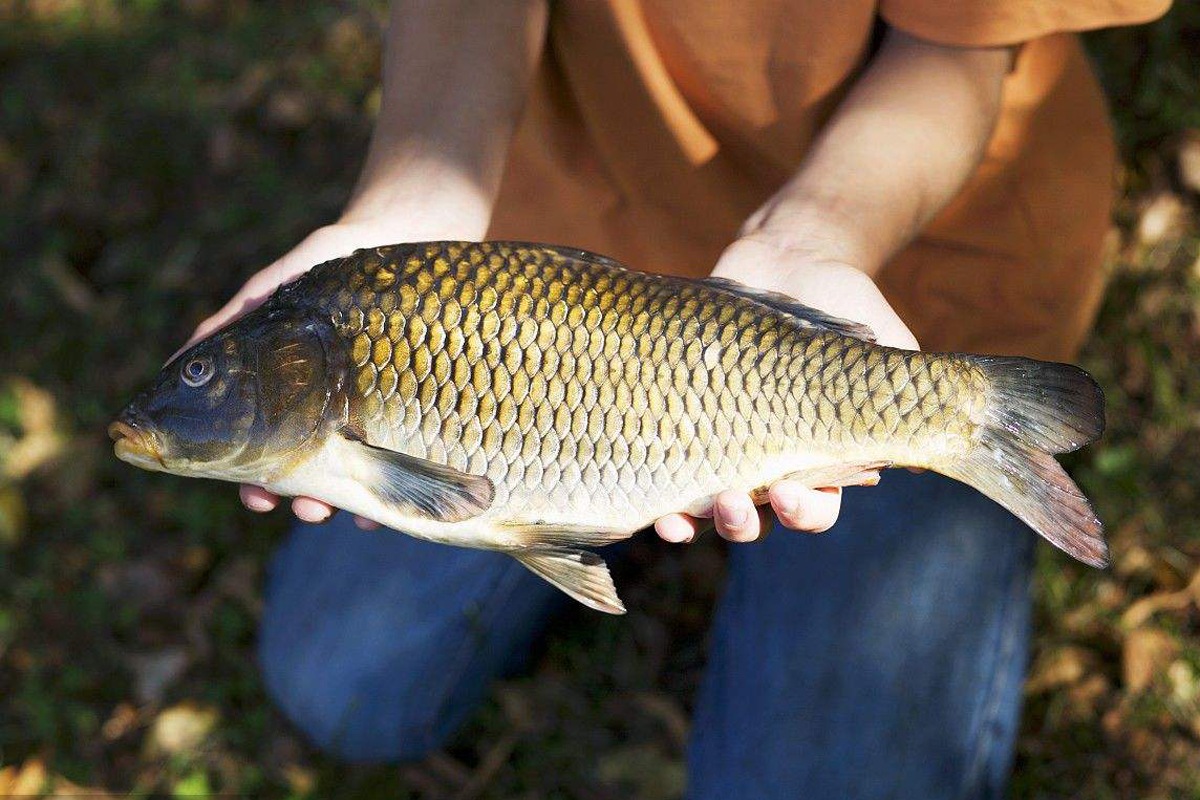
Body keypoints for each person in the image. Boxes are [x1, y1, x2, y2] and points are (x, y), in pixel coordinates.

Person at [184, 1, 1169, 796]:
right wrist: (410, 206)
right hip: (535, 285)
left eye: (204, 376)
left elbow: (956, 54)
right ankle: (621, 517)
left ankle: (927, 437)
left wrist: (812, 245)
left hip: (900, 279)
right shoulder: (371, 326)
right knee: (338, 676)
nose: (198, 390)